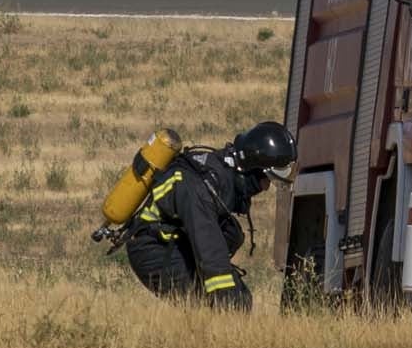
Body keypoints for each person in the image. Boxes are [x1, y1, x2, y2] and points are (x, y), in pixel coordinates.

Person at [122, 122, 296, 307]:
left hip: (173, 242)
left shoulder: (220, 176)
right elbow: (207, 243)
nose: (266, 187)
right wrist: (225, 298)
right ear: (252, 169)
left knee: (238, 294)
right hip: (152, 248)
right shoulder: (201, 187)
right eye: (265, 180)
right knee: (216, 302)